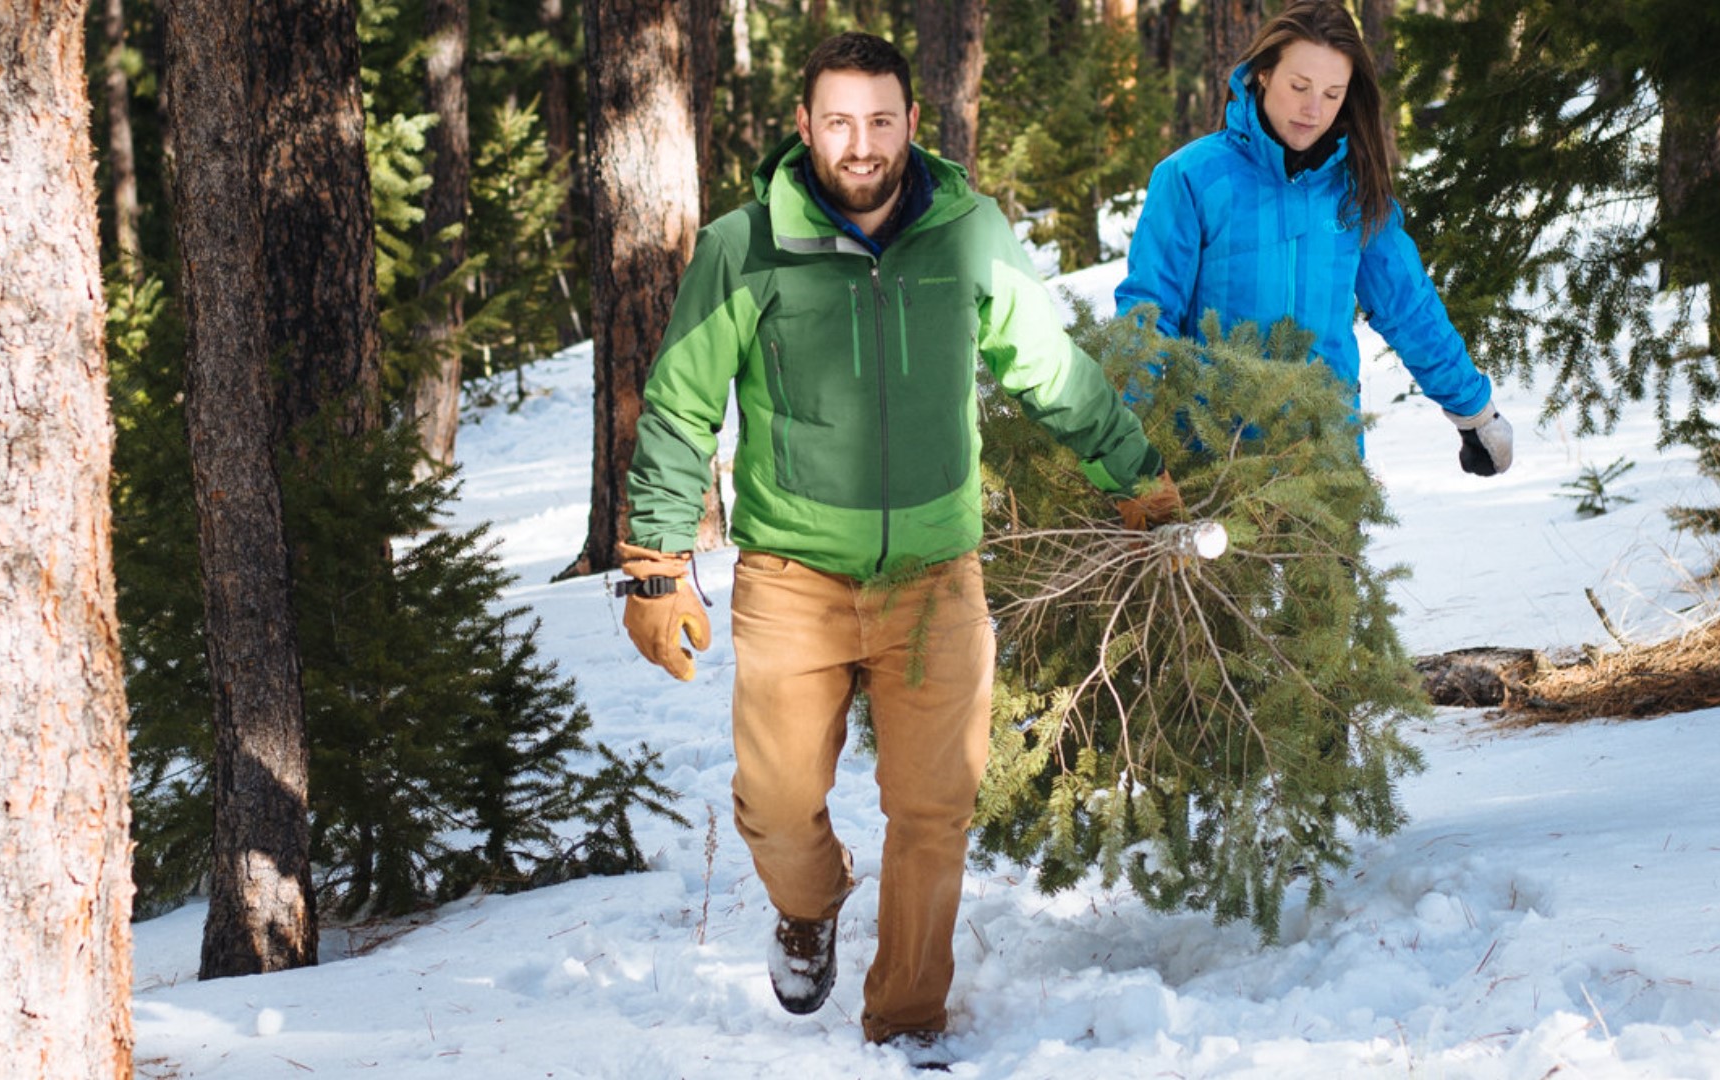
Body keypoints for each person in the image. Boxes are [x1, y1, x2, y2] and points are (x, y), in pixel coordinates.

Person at [612, 30, 1180, 1067]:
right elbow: (681, 410)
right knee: (778, 808)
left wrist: (1132, 471)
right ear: (803, 126)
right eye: (838, 120)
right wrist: (654, 560)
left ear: (914, 124)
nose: (860, 143)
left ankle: (910, 1022)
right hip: (792, 579)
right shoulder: (747, 248)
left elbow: (1047, 367)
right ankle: (810, 904)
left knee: (935, 807)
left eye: (880, 119)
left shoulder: (967, 236)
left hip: (936, 578)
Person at [1114, 0, 1515, 477]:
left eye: (1332, 93)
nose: (1313, 109)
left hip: (1326, 467)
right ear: (1263, 74)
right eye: (1299, 87)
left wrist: (1474, 412)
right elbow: (1147, 316)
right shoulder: (1191, 178)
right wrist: (1120, 441)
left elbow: (1407, 304)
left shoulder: (1356, 188)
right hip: (1212, 467)